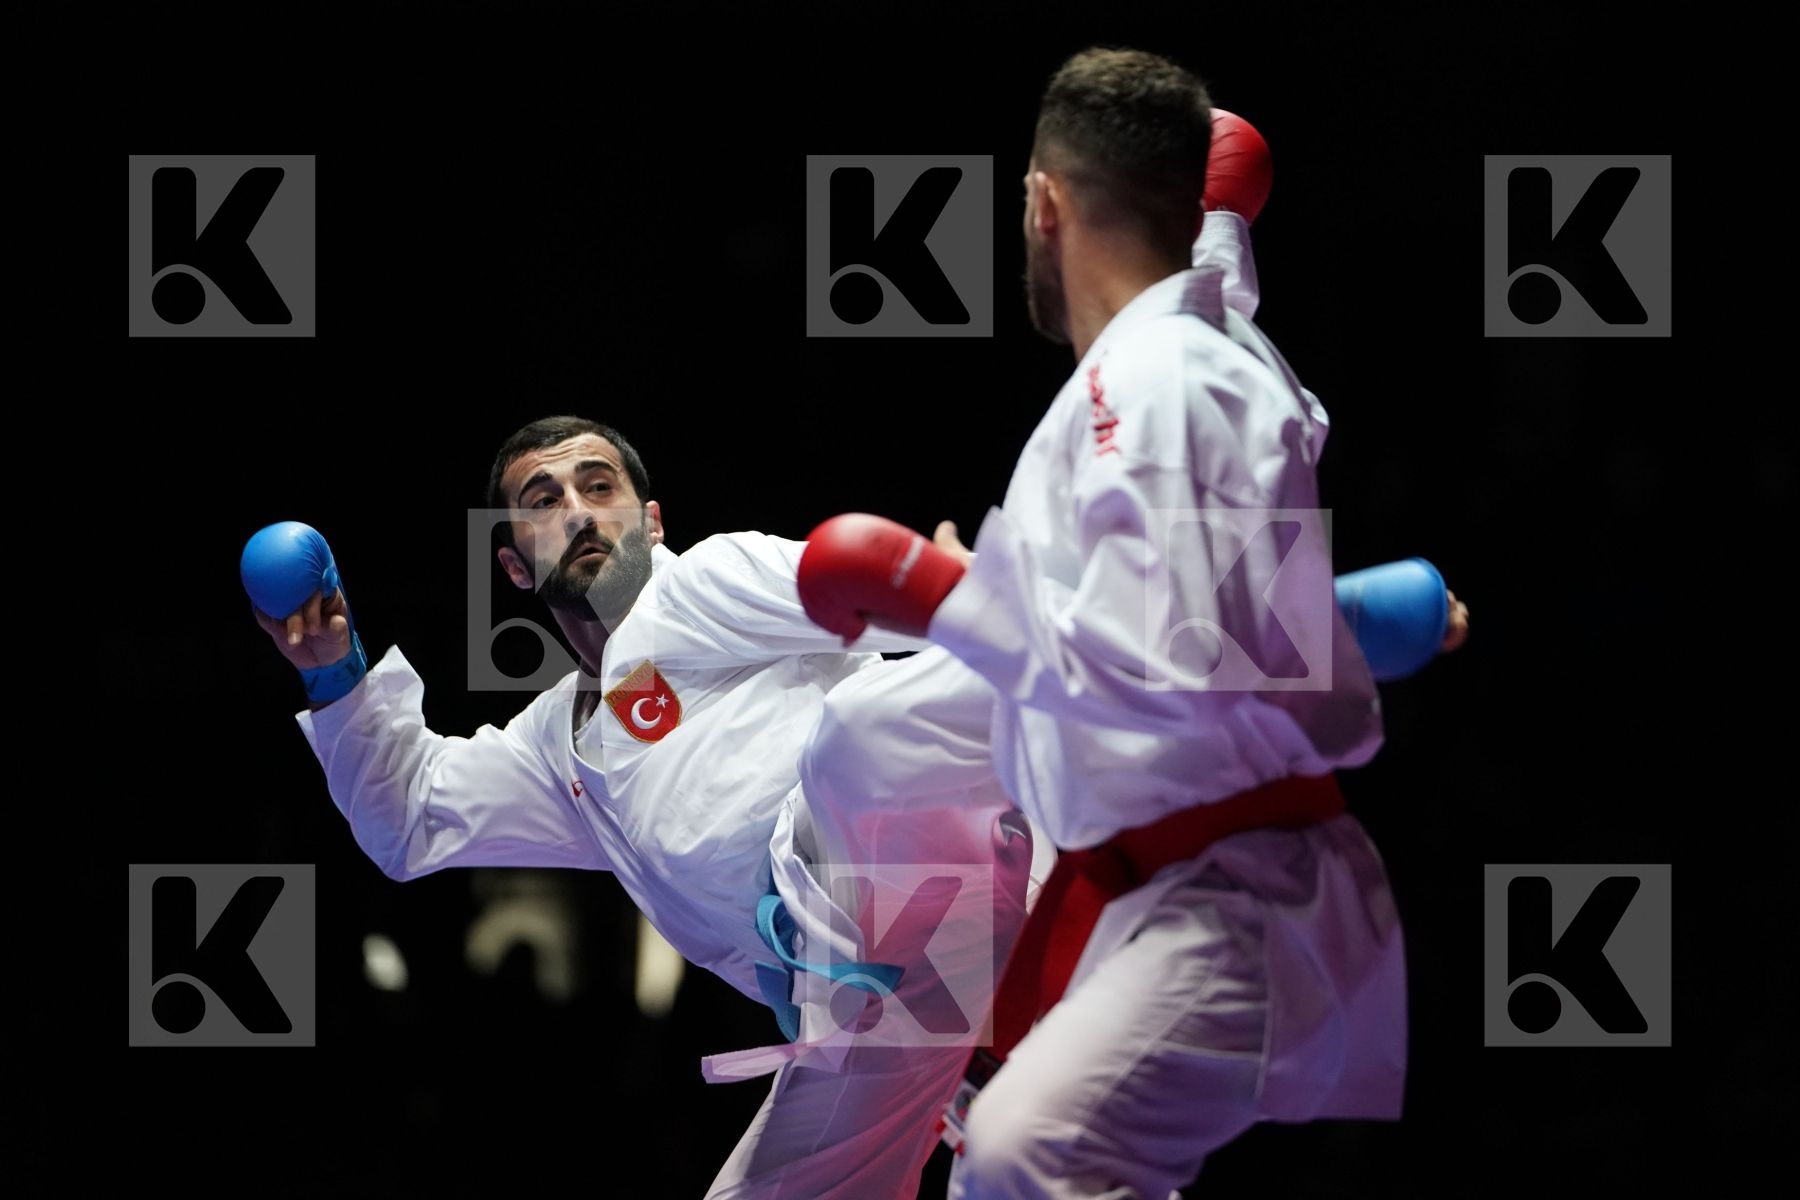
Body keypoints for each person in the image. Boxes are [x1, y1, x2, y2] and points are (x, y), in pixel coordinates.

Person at [794, 49, 1419, 1198]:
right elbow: (1209, 307)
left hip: (1229, 885)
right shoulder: (1171, 354)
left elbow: (1178, 657)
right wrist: (1222, 219)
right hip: (1159, 882)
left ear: (1043, 203)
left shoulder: (1165, 381)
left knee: (1032, 1155)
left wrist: (940, 591)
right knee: (1010, 1149)